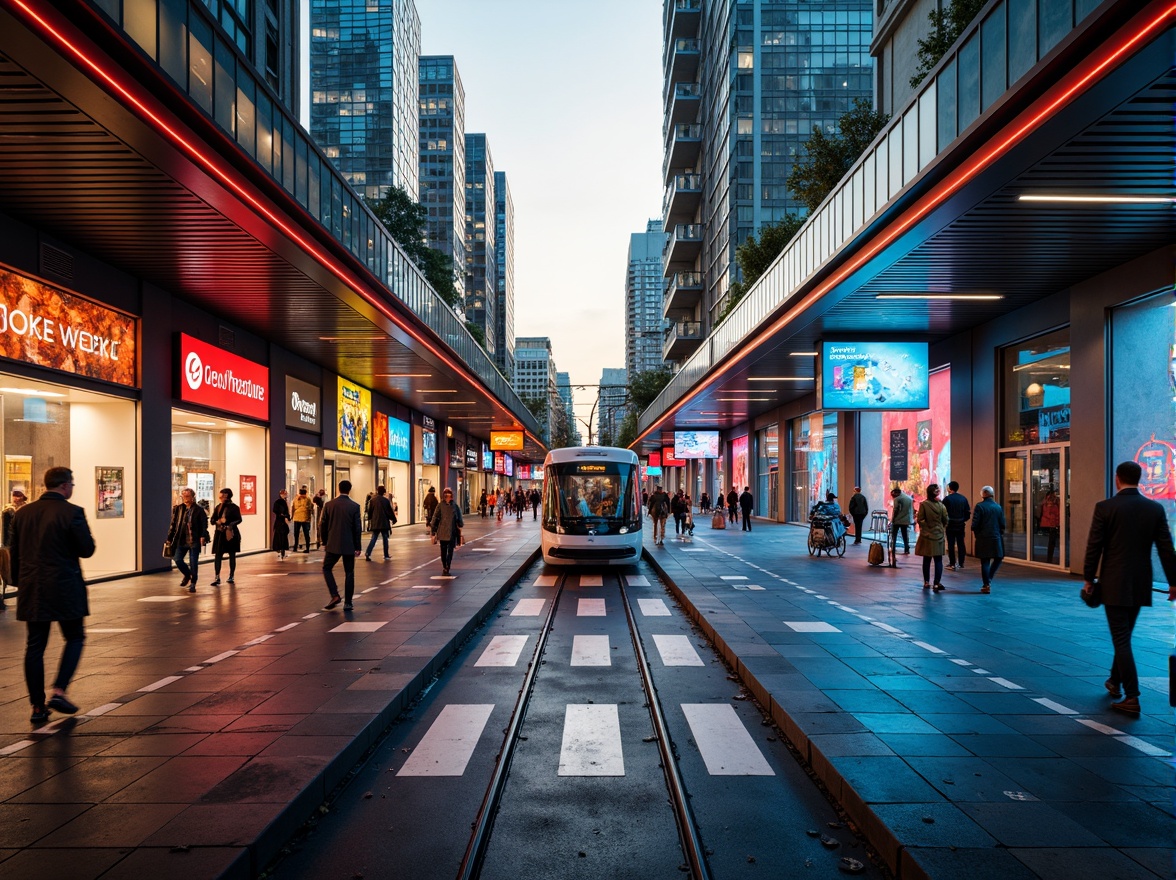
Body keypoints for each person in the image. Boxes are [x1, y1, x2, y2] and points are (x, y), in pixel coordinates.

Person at [1082, 461, 1176, 715]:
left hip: (1113, 582)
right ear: (1139, 478)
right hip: (1140, 583)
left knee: (1121, 639)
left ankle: (1132, 696)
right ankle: (1114, 681)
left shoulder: (1105, 507)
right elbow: (1166, 548)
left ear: (1117, 479)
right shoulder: (1154, 508)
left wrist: (1089, 578)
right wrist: (1173, 581)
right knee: (1124, 635)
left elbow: (1095, 546)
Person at [10, 467, 95, 724]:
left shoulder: (23, 513)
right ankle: (59, 690)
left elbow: (14, 552)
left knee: (35, 646)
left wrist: (18, 582)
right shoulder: (72, 512)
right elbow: (87, 549)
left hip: (32, 588)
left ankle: (37, 706)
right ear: (65, 485)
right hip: (64, 587)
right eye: (72, 484)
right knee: (75, 637)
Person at [321, 480, 362, 610]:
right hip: (349, 544)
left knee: (327, 568)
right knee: (349, 572)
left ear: (338, 489)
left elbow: (323, 524)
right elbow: (357, 528)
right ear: (350, 490)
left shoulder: (329, 505)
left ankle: (335, 595)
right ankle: (348, 603)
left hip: (332, 544)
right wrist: (358, 546)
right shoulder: (354, 506)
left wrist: (325, 541)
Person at [168, 487, 209, 592]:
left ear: (192, 497)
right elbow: (173, 524)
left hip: (193, 540)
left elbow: (204, 525)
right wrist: (169, 538)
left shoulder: (199, 510)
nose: (185, 498)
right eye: (184, 496)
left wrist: (203, 536)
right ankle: (188, 574)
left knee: (193, 562)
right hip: (181, 540)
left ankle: (193, 583)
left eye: (188, 496)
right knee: (177, 559)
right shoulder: (178, 509)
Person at [971, 486, 1006, 595]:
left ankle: (986, 584)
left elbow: (975, 524)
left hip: (983, 537)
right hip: (995, 537)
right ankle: (989, 578)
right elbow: (1002, 524)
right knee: (998, 558)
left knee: (985, 561)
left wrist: (977, 534)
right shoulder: (998, 507)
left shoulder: (980, 507)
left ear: (984, 494)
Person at [915, 484, 949, 592]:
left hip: (927, 536)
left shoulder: (924, 504)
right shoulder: (941, 506)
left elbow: (920, 519)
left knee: (927, 559)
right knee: (938, 560)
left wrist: (926, 528)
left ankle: (926, 582)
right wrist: (940, 527)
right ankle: (936, 583)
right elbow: (946, 520)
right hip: (938, 535)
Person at [209, 488, 242, 586]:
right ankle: (217, 576)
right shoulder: (218, 507)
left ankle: (231, 575)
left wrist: (230, 524)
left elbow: (239, 519)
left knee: (232, 554)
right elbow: (212, 519)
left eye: (222, 495)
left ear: (226, 495)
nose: (220, 497)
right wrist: (217, 522)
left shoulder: (234, 507)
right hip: (220, 533)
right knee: (218, 555)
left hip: (230, 533)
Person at [1, 488, 28, 606]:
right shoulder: (7, 510)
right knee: (7, 568)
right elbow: (5, 528)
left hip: (23, 543)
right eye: (14, 495)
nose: (16, 498)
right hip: (9, 543)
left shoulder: (27, 509)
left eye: (19, 495)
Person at [429, 487, 464, 575]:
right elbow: (460, 521)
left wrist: (433, 530)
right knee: (449, 551)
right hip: (451, 532)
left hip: (443, 532)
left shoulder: (440, 505)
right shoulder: (455, 506)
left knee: (444, 551)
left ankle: (445, 566)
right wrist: (459, 524)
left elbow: (435, 518)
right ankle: (447, 565)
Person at [942, 481, 971, 571]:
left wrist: (945, 522)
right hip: (960, 525)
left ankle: (952, 563)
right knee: (961, 543)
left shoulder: (947, 499)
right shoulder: (963, 499)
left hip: (950, 525)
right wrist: (963, 520)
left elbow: (943, 512)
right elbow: (967, 513)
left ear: (950, 488)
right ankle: (961, 562)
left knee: (951, 544)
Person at [365, 485, 395, 561]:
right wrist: (393, 519)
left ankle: (368, 553)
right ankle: (386, 554)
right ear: (384, 492)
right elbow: (389, 512)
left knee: (374, 538)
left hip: (375, 522)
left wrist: (369, 521)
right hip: (384, 523)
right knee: (385, 538)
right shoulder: (386, 501)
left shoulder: (372, 500)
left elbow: (370, 512)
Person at [889, 487, 913, 557]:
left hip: (897, 520)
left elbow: (896, 510)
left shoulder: (897, 499)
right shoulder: (909, 498)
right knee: (905, 535)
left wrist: (893, 519)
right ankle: (906, 549)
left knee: (894, 535)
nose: (893, 497)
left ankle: (893, 548)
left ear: (896, 493)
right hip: (906, 520)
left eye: (893, 495)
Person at [1039, 488, 1060, 565]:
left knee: (1050, 543)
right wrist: (1058, 524)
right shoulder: (1053, 503)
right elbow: (1056, 515)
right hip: (1052, 525)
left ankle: (1049, 559)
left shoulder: (1044, 502)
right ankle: (1049, 559)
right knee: (1052, 543)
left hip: (1046, 524)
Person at [291, 486, 314, 553]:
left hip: (297, 518)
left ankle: (295, 547)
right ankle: (307, 548)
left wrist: (292, 516)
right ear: (305, 493)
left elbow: (293, 508)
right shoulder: (308, 499)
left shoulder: (296, 499)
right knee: (306, 534)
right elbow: (310, 508)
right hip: (305, 519)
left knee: (296, 533)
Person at [271, 489, 291, 559]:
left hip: (280, 521)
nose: (285, 495)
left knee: (281, 535)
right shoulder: (281, 502)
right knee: (282, 536)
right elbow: (280, 512)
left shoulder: (281, 502)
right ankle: (281, 549)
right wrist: (286, 517)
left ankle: (280, 549)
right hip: (281, 521)